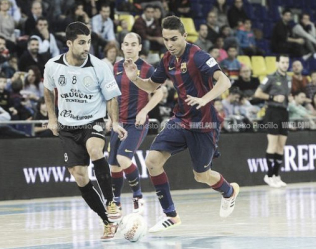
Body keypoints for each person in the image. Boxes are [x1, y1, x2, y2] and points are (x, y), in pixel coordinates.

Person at [123, 16, 239, 233]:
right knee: (152, 161)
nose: (170, 44)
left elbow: (224, 81)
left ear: (184, 36)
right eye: (166, 39)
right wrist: (135, 78)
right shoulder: (167, 59)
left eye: (174, 39)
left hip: (203, 125)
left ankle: (229, 191)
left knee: (201, 176)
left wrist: (205, 99)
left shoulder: (198, 56)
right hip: (180, 120)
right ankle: (171, 215)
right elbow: (151, 86)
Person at [43, 22, 127, 240]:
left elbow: (111, 97)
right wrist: (52, 118)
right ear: (69, 43)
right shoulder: (53, 66)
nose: (86, 47)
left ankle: (111, 202)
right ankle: (107, 221)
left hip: (93, 121)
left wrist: (114, 122)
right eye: (81, 43)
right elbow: (48, 91)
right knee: (79, 176)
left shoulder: (99, 66)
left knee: (95, 150)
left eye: (88, 42)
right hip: (68, 126)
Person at [108, 32, 163, 215]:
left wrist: (144, 111)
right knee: (114, 165)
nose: (129, 47)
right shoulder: (116, 67)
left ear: (140, 47)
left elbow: (160, 93)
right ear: (122, 47)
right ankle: (116, 201)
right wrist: (112, 120)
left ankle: (138, 197)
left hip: (137, 123)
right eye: (126, 44)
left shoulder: (147, 68)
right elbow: (112, 96)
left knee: (123, 159)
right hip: (119, 123)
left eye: (133, 44)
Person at [254, 54, 291, 188]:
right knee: (273, 145)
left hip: (284, 113)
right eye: (282, 62)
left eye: (287, 62)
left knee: (281, 146)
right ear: (277, 63)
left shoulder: (288, 78)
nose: (285, 65)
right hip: (272, 112)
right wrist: (273, 97)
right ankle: (268, 175)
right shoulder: (270, 77)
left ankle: (276, 175)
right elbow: (257, 93)